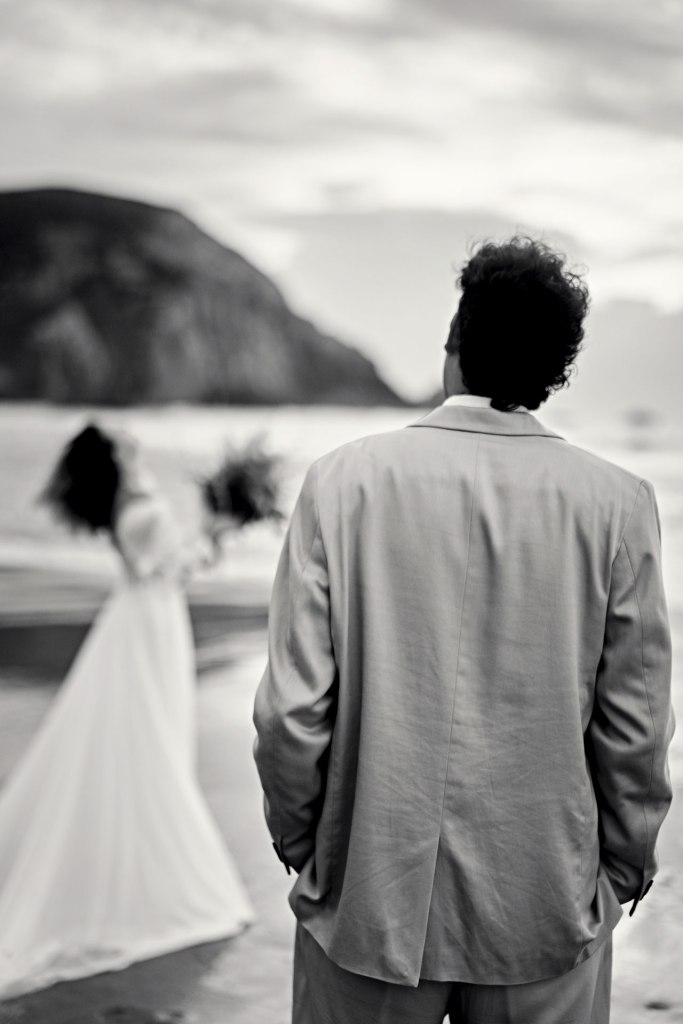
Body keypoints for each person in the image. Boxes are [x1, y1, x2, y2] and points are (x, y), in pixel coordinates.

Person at [253, 237, 675, 1024]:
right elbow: (636, 723)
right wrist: (621, 865)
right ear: (553, 371)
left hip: (367, 895)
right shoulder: (617, 503)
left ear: (456, 345)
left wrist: (307, 847)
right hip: (544, 903)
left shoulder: (343, 481)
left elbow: (290, 712)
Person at [0, 424, 253, 999]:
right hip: (148, 623)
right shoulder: (136, 504)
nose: (130, 438)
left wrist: (209, 535)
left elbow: (166, 566)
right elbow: (167, 568)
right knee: (148, 740)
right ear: (112, 455)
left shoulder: (129, 501)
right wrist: (214, 534)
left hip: (144, 621)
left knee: (141, 736)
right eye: (119, 438)